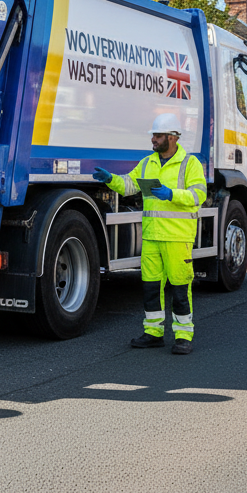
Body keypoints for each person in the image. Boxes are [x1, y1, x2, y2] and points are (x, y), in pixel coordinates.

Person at [93, 113, 207, 355]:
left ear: (172, 137)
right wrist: (110, 179)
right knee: (150, 287)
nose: (153, 139)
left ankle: (183, 336)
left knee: (179, 287)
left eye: (157, 135)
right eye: (153, 135)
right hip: (152, 237)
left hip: (178, 238)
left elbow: (199, 195)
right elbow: (129, 185)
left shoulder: (190, 164)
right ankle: (153, 333)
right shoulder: (147, 163)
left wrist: (172, 194)